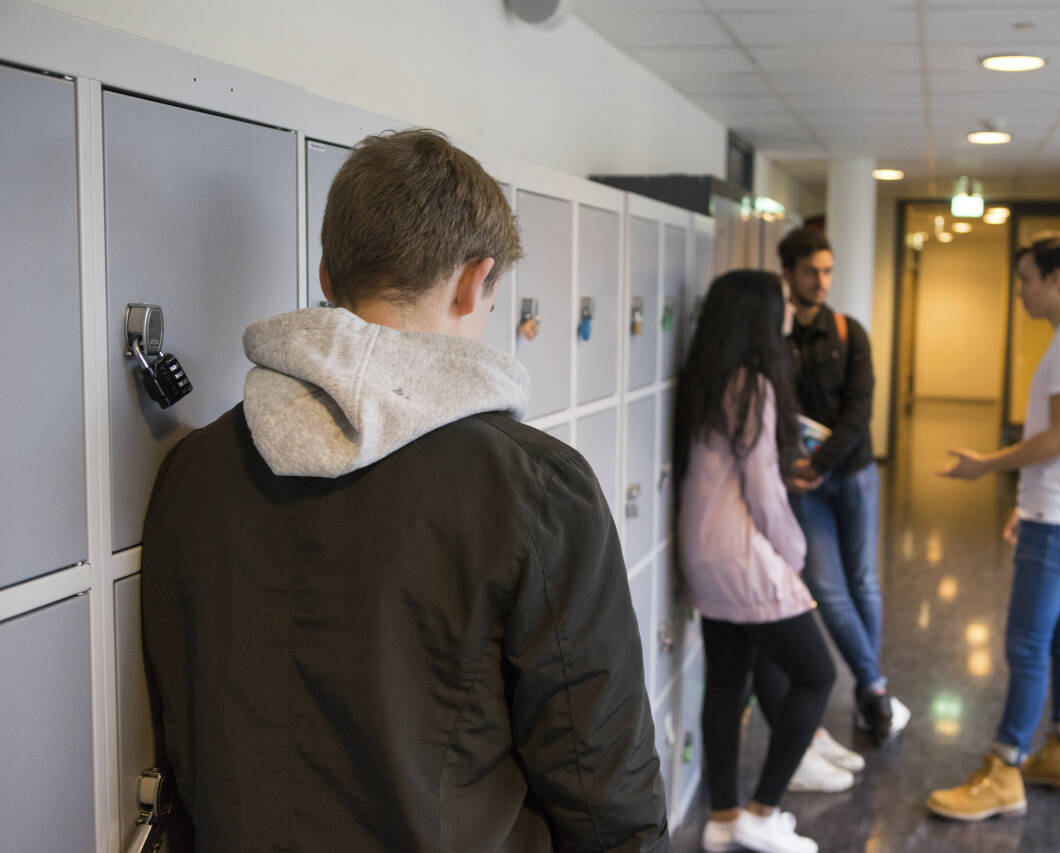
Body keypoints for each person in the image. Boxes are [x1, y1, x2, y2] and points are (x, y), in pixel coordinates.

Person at [141, 129, 669, 852]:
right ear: (472, 280)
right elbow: (604, 791)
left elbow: (181, 736)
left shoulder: (192, 470)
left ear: (328, 276)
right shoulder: (537, 488)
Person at [927, 232, 1060, 821]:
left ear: (1056, 278)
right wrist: (1025, 497)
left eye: (1026, 279)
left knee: (1027, 644)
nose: (1019, 292)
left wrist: (986, 465)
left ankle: (1005, 768)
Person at [676, 270, 835, 853]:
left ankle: (722, 819)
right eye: (782, 305)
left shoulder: (706, 377)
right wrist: (793, 552)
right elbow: (764, 489)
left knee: (727, 681)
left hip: (702, 551)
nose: (790, 313)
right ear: (759, 319)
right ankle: (763, 813)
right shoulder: (753, 387)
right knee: (817, 675)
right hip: (740, 553)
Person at [771, 227, 910, 745]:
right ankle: (874, 688)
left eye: (827, 271)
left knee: (864, 582)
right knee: (828, 590)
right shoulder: (776, 338)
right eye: (811, 271)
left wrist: (820, 464)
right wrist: (795, 468)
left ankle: (865, 692)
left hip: (850, 475)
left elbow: (859, 411)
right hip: (803, 483)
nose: (821, 281)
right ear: (789, 274)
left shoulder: (851, 334)